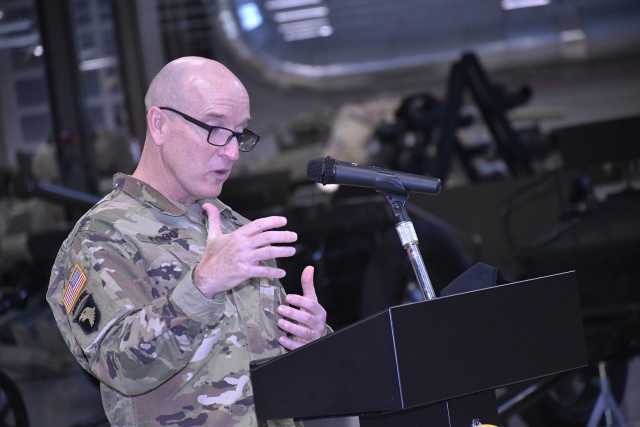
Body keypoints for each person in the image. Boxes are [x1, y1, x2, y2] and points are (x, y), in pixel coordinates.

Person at [46, 56, 329, 427]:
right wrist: (203, 286)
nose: (229, 151)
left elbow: (270, 366)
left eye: (239, 133)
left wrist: (313, 340)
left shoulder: (233, 227)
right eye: (214, 128)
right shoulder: (99, 239)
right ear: (159, 124)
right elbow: (122, 367)